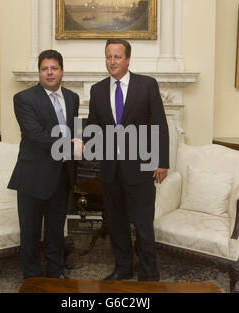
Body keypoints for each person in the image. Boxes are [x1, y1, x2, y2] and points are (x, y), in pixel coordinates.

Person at [86, 39, 169, 281]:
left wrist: (161, 161)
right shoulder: (97, 90)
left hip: (142, 168)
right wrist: (85, 145)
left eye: (117, 57)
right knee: (117, 223)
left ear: (128, 59)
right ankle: (123, 267)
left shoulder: (147, 85)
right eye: (108, 57)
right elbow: (94, 126)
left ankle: (148, 273)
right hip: (111, 170)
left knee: (143, 225)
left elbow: (159, 125)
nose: (112, 61)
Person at [8, 50, 80, 279]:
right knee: (30, 232)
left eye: (54, 68)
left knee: (56, 230)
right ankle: (32, 277)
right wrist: (70, 142)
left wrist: (82, 141)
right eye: (44, 69)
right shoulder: (24, 99)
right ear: (39, 72)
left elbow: (75, 130)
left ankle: (55, 272)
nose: (49, 73)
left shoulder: (72, 98)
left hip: (62, 176)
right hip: (33, 176)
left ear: (62, 70)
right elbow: (34, 134)